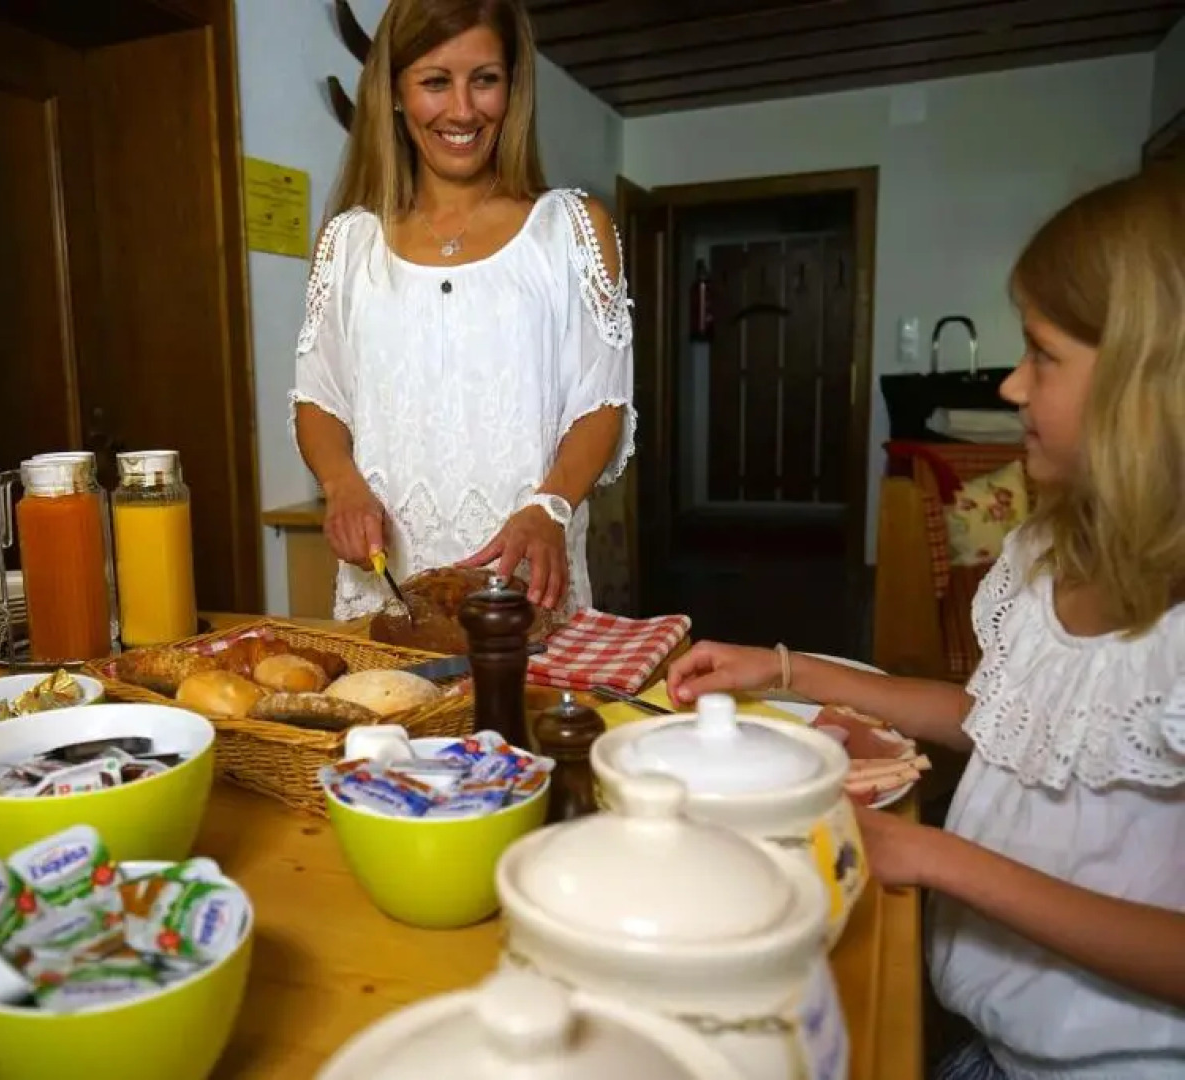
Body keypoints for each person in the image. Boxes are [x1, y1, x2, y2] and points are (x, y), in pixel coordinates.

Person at [667, 168, 1185, 1078]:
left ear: (1148, 387)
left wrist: (932, 856)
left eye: (1042, 355)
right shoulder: (1046, 555)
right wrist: (781, 668)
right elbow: (991, 716)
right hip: (982, 1037)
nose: (1013, 385)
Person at [290, 0, 634, 620]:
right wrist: (341, 485)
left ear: (513, 88)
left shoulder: (573, 231)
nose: (462, 110)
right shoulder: (348, 244)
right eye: (434, 82)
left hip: (528, 597)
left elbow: (600, 403)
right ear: (394, 93)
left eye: (485, 80)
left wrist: (551, 505)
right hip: (385, 594)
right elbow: (320, 398)